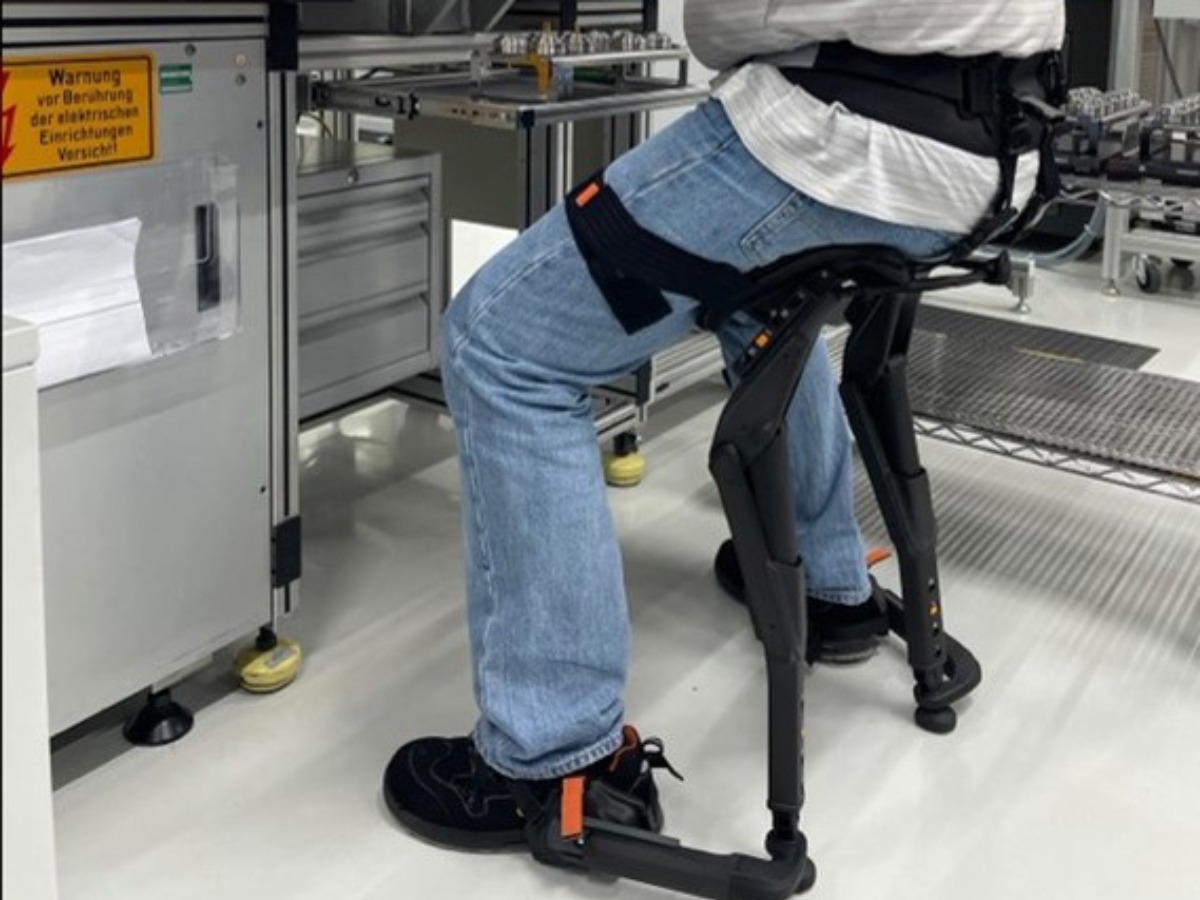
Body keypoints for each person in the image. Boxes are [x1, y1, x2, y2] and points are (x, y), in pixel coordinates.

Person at [384, 0, 1065, 855]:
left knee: (503, 344)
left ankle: (551, 752)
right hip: (996, 153)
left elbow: (726, 21)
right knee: (761, 307)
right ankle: (830, 585)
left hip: (849, 139)